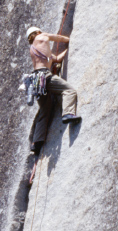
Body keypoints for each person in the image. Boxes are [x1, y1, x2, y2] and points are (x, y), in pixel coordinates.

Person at [26, 26, 81, 154]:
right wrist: (70, 39)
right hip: (44, 76)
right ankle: (68, 113)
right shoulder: (42, 36)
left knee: (45, 109)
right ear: (37, 32)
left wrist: (66, 51)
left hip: (35, 81)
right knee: (69, 90)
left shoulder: (33, 49)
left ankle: (36, 143)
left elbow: (56, 59)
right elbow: (59, 38)